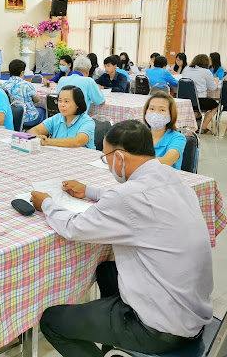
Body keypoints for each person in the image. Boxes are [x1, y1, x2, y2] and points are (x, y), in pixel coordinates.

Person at [31, 120, 213, 357]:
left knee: (53, 322)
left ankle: (128, 336)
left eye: (106, 158)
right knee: (106, 270)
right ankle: (115, 347)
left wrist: (46, 204)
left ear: (119, 157)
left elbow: (73, 227)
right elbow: (131, 197)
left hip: (158, 328)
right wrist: (88, 191)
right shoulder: (171, 176)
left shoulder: (126, 197)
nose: (108, 165)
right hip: (191, 313)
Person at [28, 86, 96, 149]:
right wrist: (38, 137)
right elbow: (32, 131)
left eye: (66, 101)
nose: (62, 105)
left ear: (78, 104)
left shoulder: (87, 122)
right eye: (60, 101)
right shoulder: (57, 118)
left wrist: (48, 141)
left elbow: (78, 141)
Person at [143, 92, 187, 170]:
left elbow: (167, 161)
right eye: (151, 109)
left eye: (162, 110)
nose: (155, 113)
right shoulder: (139, 135)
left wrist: (135, 160)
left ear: (171, 114)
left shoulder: (178, 138)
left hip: (166, 177)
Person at [1, 59, 45, 127]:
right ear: (22, 73)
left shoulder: (4, 85)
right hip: (28, 118)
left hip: (12, 117)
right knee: (43, 111)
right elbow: (37, 100)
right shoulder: (26, 85)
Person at [181, 54, 218, 134]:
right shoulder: (206, 72)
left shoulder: (186, 69)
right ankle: (203, 127)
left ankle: (191, 126)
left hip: (184, 100)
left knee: (195, 107)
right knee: (215, 105)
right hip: (199, 100)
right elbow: (213, 88)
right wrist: (216, 81)